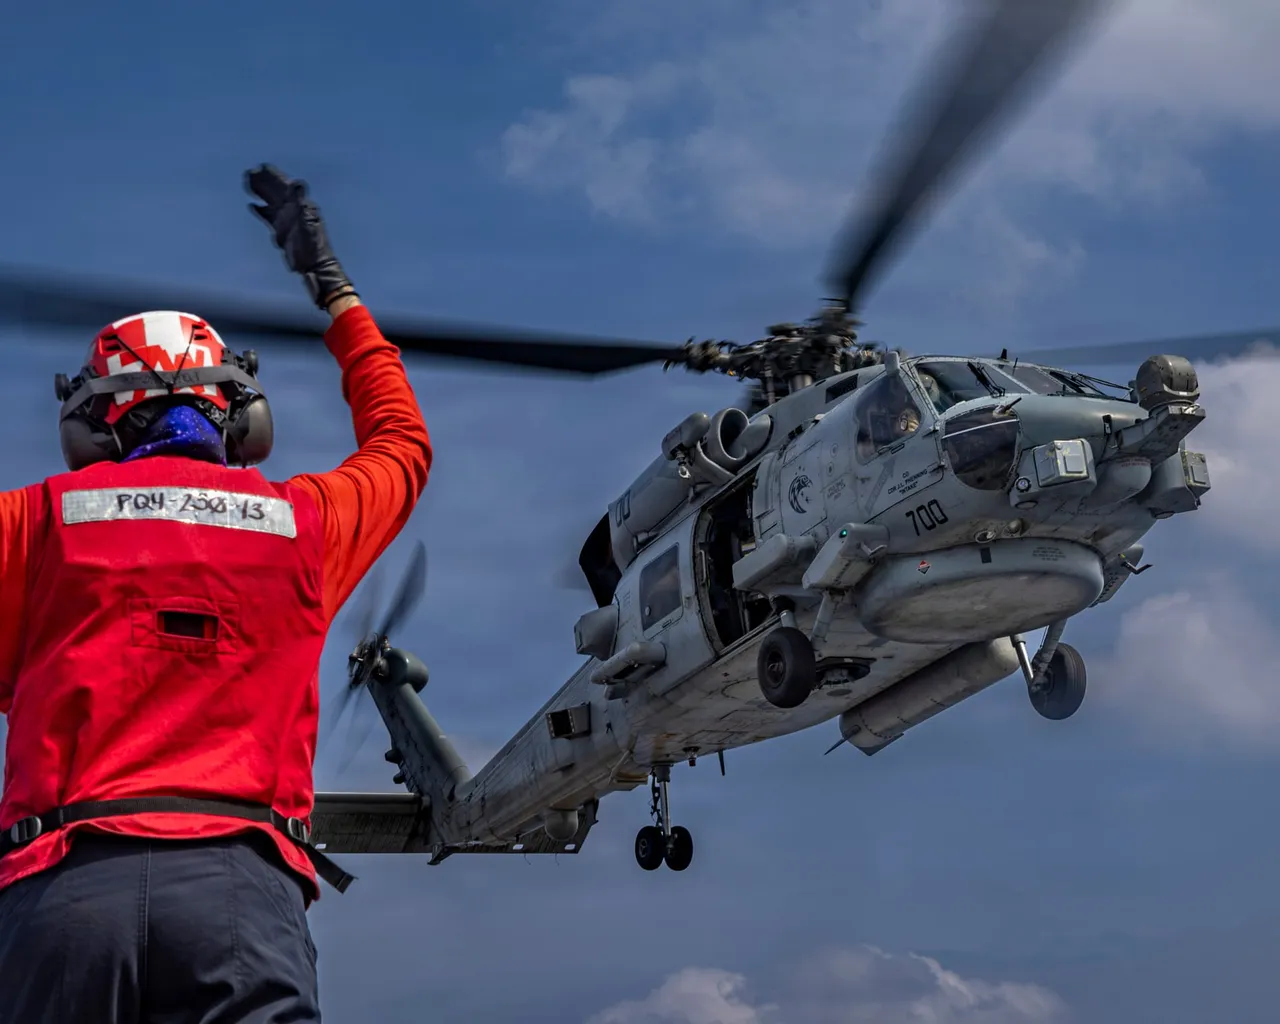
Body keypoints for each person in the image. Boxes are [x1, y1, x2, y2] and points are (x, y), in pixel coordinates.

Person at [0, 165, 432, 1023]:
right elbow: (401, 442)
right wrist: (335, 293)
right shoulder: (304, 524)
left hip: (62, 889)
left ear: (90, 423)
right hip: (242, 899)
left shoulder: (36, 523)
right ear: (242, 416)